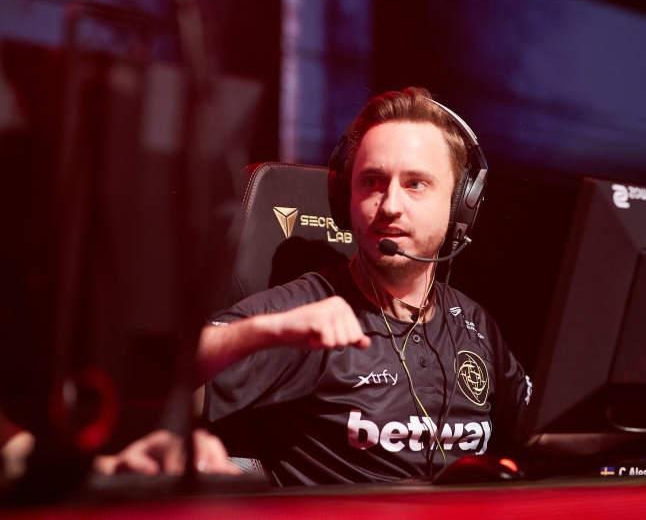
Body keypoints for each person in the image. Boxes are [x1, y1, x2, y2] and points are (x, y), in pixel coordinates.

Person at [99, 87, 532, 483]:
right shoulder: (306, 316)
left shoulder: (475, 325)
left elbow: (538, 432)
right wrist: (266, 332)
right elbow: (167, 373)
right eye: (372, 182)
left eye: (415, 184)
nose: (390, 205)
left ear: (461, 205)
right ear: (345, 198)